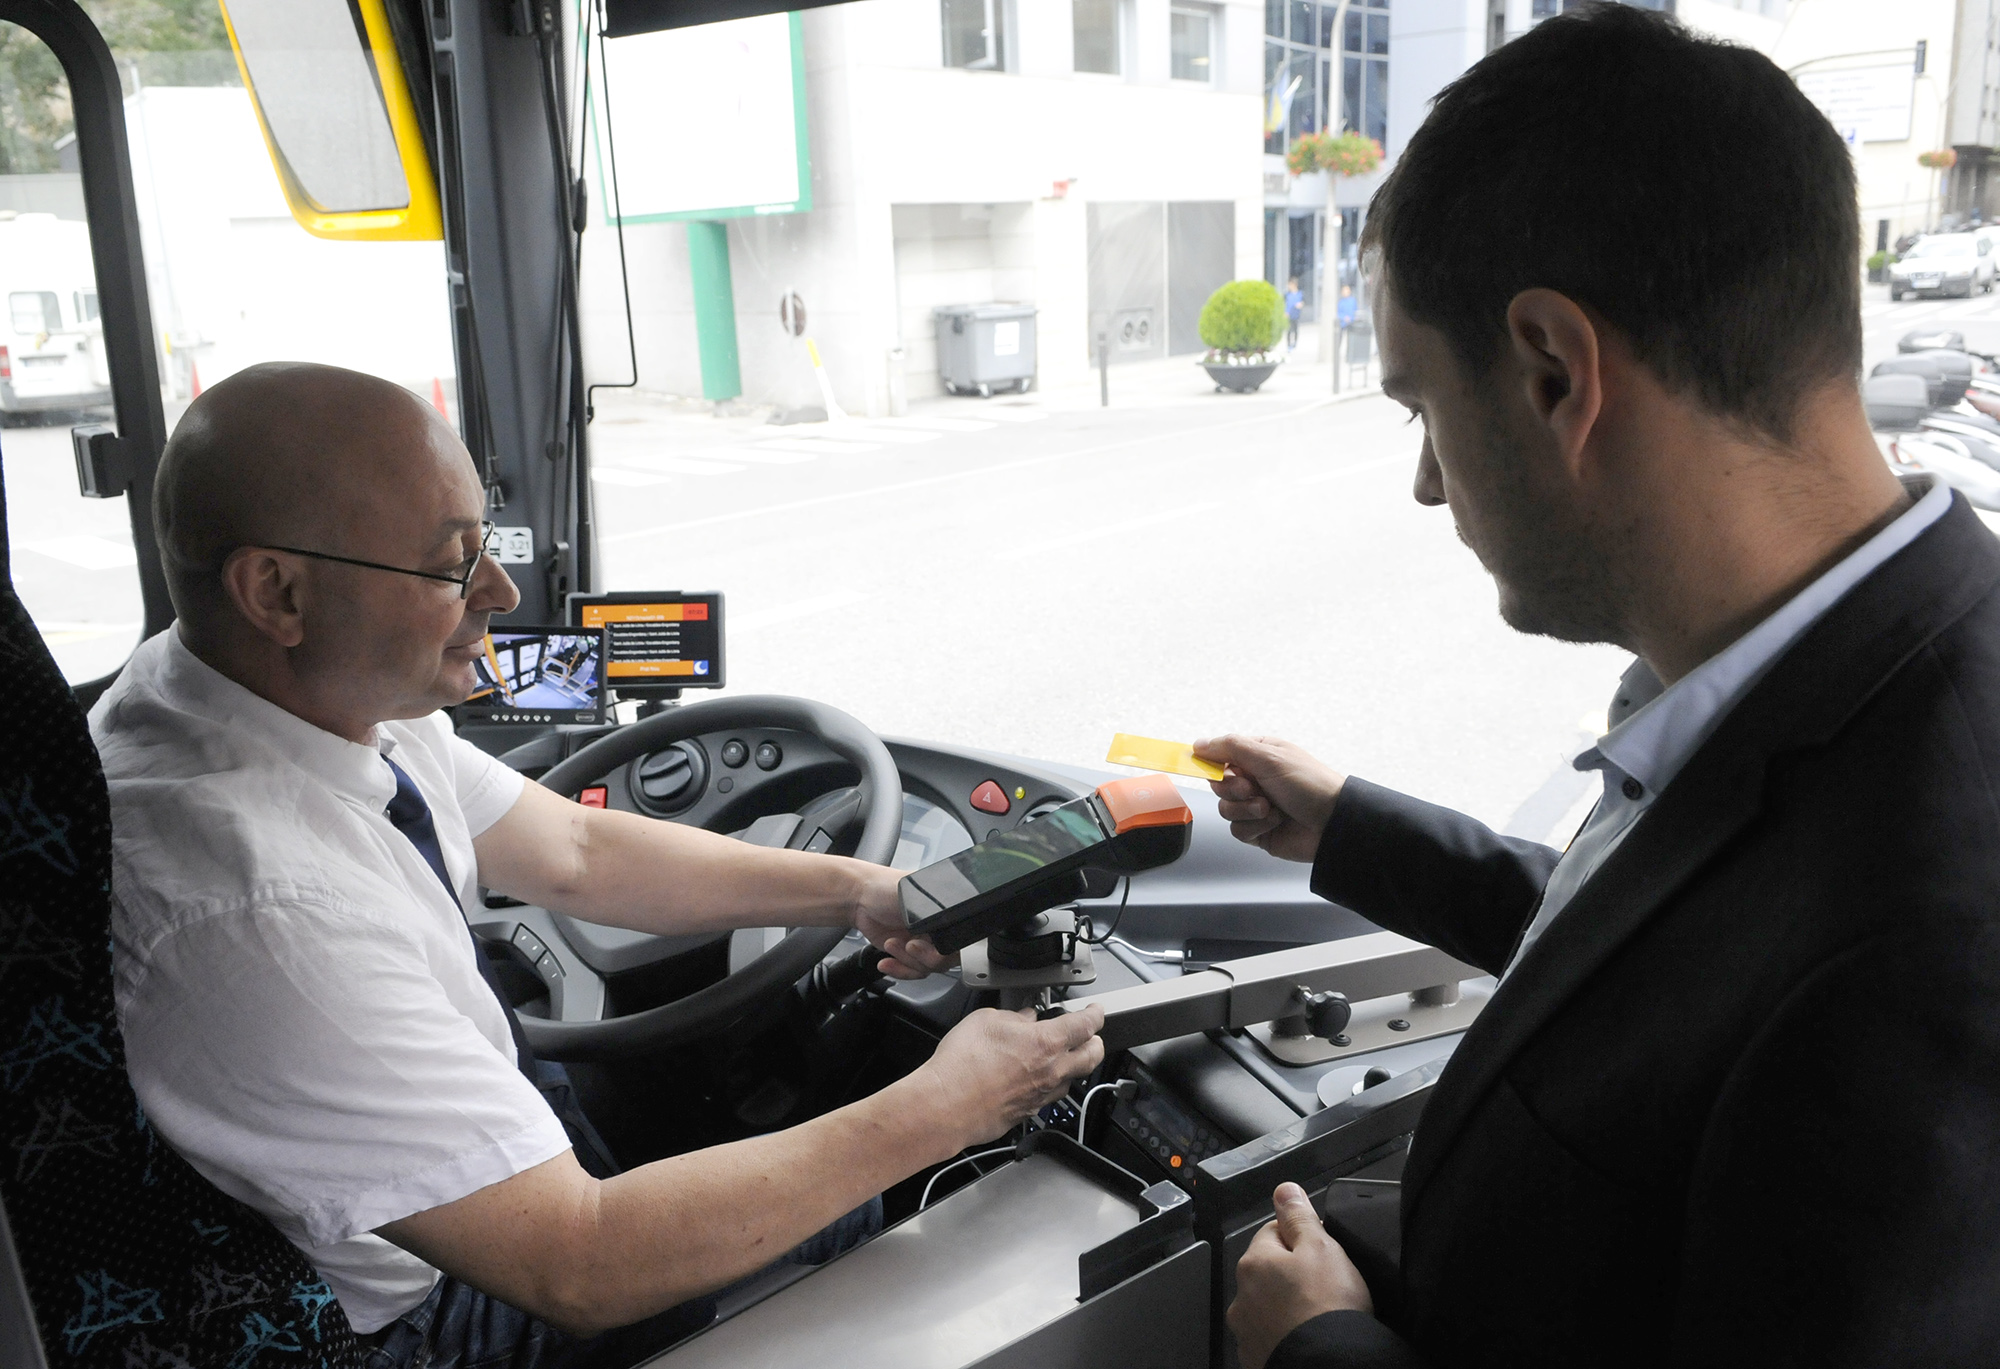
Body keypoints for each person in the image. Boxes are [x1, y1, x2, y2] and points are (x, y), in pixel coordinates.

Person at [1201, 6, 2000, 1367]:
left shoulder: (1935, 936)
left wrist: (1323, 1349)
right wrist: (1350, 827)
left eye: (1422, 408)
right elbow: (1667, 970)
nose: (1428, 482)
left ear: (1556, 371)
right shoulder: (1834, 661)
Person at [92, 361, 1107, 1368]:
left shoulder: (289, 697)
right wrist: (947, 1107)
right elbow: (576, 1265)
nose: (499, 587)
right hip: (432, 1318)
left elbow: (573, 850)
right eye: (451, 564)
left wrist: (857, 892)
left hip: (474, 1186)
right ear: (277, 591)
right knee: (865, 1229)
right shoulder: (251, 908)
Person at [1285, 277, 1304, 350]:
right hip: (1289, 315)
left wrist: (1301, 304)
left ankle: (1295, 343)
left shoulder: (1300, 294)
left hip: (1296, 315)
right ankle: (1289, 345)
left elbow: (1303, 302)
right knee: (1289, 330)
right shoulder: (1287, 295)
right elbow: (1285, 304)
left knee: (1295, 329)